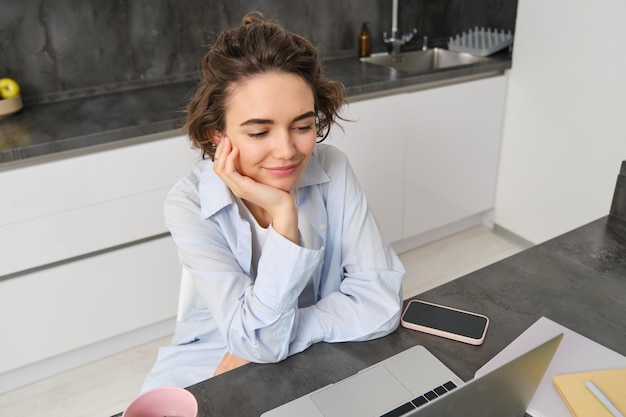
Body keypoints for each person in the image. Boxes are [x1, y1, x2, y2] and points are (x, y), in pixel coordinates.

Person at [141, 12, 405, 391]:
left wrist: (281, 334)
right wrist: (284, 216)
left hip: (319, 342)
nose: (287, 151)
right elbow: (246, 339)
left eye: (303, 126)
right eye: (259, 131)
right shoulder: (188, 202)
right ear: (217, 133)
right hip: (214, 348)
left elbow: (381, 303)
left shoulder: (332, 167)